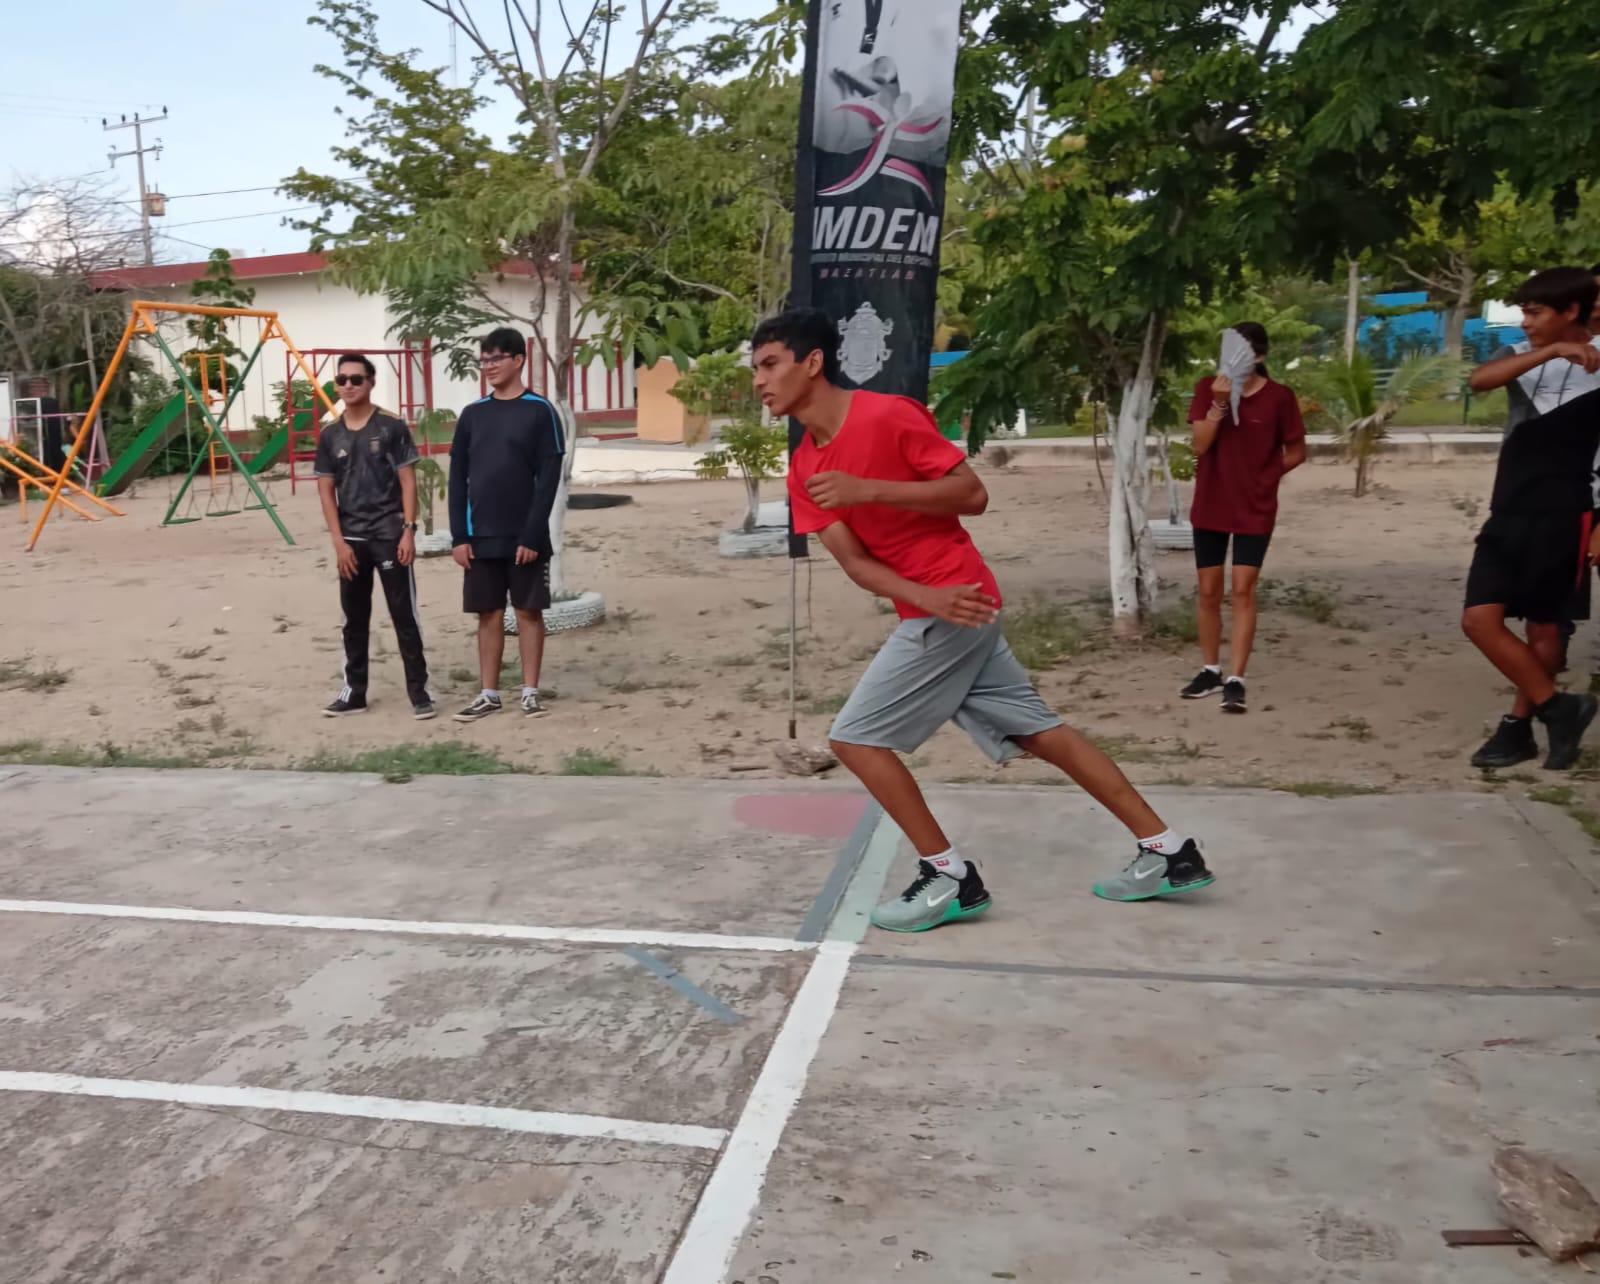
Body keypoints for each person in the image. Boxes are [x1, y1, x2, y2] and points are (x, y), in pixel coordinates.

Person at [755, 307, 1215, 929]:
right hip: (942, 603)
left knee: (855, 740)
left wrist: (871, 492)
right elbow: (858, 566)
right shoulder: (804, 467)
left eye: (770, 364)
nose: (759, 380)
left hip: (958, 599)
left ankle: (948, 876)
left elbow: (971, 494)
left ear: (812, 363)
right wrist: (922, 593)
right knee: (1037, 732)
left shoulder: (888, 415)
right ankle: (1169, 851)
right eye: (755, 368)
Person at [1463, 267, 1600, 769]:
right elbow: (1479, 381)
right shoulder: (1520, 356)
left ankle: (1522, 726)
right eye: (1524, 311)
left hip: (1566, 511)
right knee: (1479, 619)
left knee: (1546, 628)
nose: (1526, 322)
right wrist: (1548, 351)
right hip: (1510, 508)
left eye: (1536, 312)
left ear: (1570, 311)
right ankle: (1559, 707)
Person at [1179, 323, 1307, 714]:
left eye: (1242, 354)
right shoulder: (1207, 388)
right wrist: (1219, 403)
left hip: (1255, 506)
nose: (1232, 361)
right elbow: (1201, 444)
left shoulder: (1279, 398)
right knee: (1208, 588)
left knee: (1242, 589)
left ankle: (1236, 678)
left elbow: (1297, 451)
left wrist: (1266, 479)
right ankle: (1210, 670)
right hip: (1212, 503)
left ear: (1260, 357)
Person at [448, 328, 564, 723]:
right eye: (484, 359)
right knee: (488, 613)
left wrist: (533, 533)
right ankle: (489, 693)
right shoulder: (473, 415)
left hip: (524, 537)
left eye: (497, 358)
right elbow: (457, 478)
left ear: (518, 360)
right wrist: (459, 537)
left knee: (528, 612)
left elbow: (549, 478)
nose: (490, 366)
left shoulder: (540, 411)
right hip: (481, 535)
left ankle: (530, 691)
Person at [314, 353, 433, 720]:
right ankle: (354, 693)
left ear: (371, 383)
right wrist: (338, 543)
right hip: (352, 541)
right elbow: (325, 491)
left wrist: (408, 531)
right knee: (354, 618)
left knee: (404, 616)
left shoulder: (391, 427)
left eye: (356, 379)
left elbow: (408, 482)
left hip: (389, 535)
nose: (348, 385)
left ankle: (420, 693)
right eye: (342, 380)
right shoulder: (330, 435)